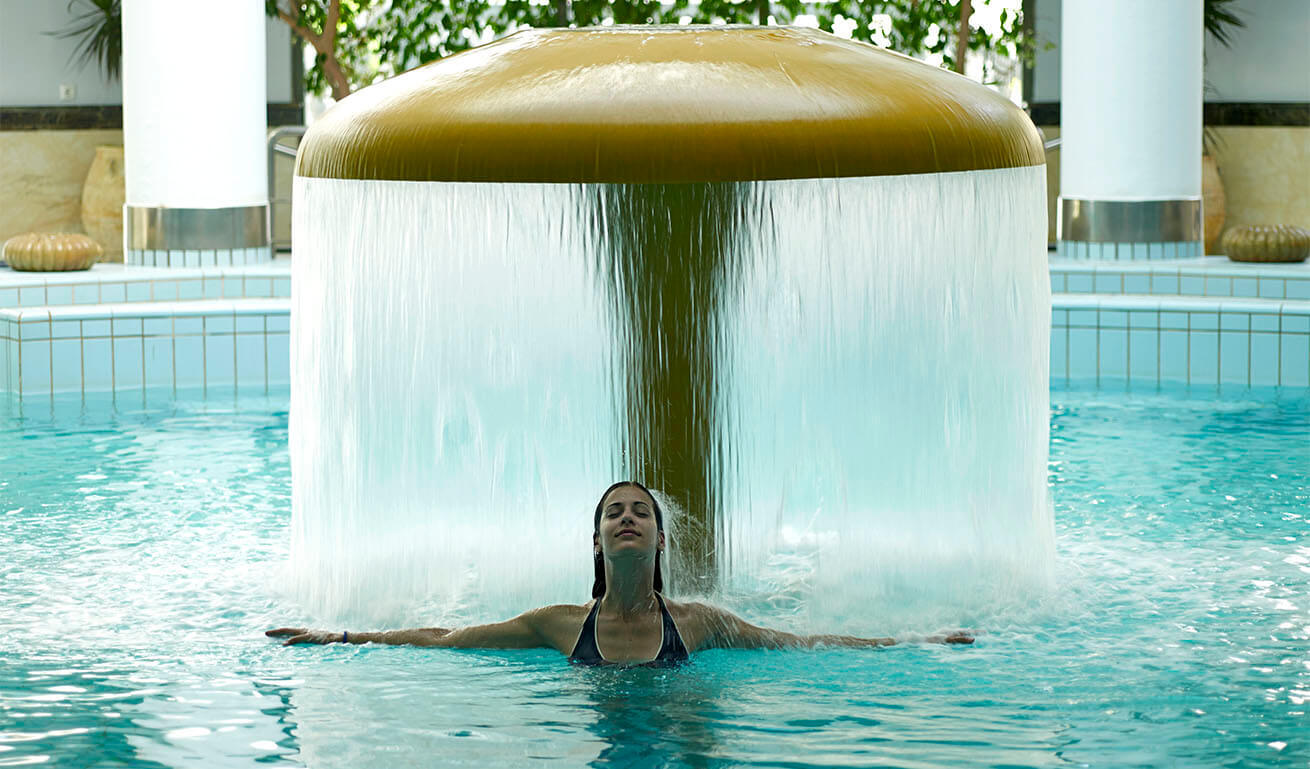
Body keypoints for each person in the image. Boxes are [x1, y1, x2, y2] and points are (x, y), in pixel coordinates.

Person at [267, 482, 973, 665]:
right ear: (599, 540)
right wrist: (347, 636)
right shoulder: (560, 625)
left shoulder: (698, 623)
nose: (627, 519)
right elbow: (451, 637)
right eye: (614, 513)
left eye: (639, 511)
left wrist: (916, 643)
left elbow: (797, 642)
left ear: (659, 538)